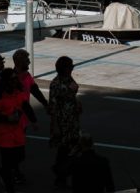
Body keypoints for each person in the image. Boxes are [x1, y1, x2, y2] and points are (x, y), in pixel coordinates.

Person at [0, 68, 29, 193]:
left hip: (17, 132)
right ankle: (9, 186)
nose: (14, 81)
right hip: (4, 134)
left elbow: (25, 105)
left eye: (15, 79)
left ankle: (3, 171)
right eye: (12, 79)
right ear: (6, 81)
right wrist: (7, 118)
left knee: (20, 156)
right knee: (7, 162)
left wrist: (33, 120)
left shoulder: (19, 92)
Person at [49, 56, 83, 188]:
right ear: (64, 68)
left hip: (72, 119)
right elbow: (53, 106)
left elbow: (71, 96)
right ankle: (60, 175)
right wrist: (56, 126)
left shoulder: (69, 79)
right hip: (62, 121)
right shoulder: (56, 84)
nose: (72, 69)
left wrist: (77, 104)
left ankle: (61, 173)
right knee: (64, 150)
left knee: (73, 148)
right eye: (71, 67)